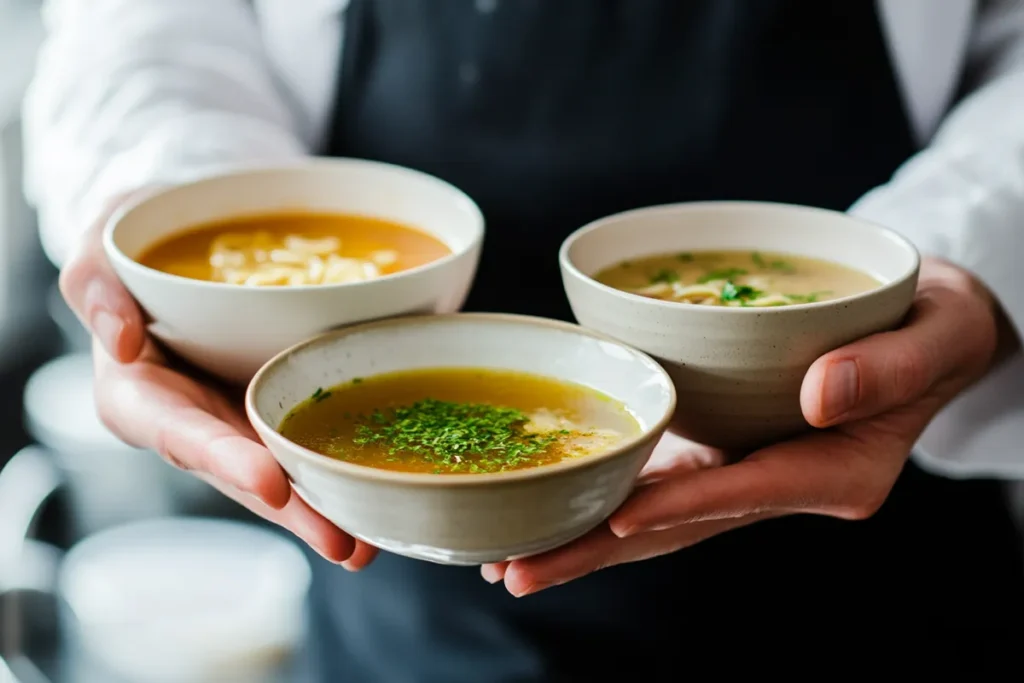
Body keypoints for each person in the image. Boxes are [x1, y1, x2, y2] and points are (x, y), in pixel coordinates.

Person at [23, 0, 1024, 677]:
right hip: (398, 583)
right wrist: (168, 223)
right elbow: (152, 32)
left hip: (886, 570)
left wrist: (973, 252)